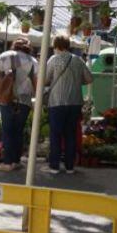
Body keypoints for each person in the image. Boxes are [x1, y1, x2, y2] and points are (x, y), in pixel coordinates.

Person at [45, 36, 93, 174]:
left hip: (57, 102)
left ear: (56, 45)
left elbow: (45, 80)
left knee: (55, 134)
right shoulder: (78, 60)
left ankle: (54, 166)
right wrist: (77, 82)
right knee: (70, 134)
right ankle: (70, 166)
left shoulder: (53, 60)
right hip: (75, 102)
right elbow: (89, 78)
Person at [0, 38, 37, 172]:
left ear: (14, 46)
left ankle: (7, 163)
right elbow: (36, 82)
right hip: (25, 101)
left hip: (6, 99)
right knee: (18, 131)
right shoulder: (33, 61)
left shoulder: (5, 56)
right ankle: (16, 161)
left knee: (7, 130)